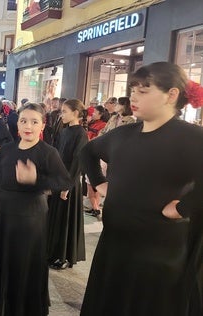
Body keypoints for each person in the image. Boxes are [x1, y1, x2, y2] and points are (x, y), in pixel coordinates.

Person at [79, 62, 203, 316]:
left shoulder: (191, 138)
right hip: (113, 248)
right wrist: (100, 183)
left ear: (171, 95)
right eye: (133, 89)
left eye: (144, 91)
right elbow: (88, 152)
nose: (133, 96)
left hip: (159, 254)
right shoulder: (123, 135)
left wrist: (183, 207)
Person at [0, 103, 72, 316]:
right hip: (4, 216)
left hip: (31, 219)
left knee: (23, 265)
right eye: (24, 121)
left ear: (42, 126)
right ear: (17, 124)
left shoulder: (48, 153)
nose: (28, 126)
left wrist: (36, 179)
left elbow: (65, 181)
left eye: (34, 122)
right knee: (1, 262)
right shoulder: (8, 149)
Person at [46, 99, 88, 270]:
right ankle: (54, 252)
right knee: (56, 217)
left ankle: (64, 256)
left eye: (64, 111)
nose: (61, 114)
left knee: (66, 220)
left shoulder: (81, 133)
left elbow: (78, 161)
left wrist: (67, 185)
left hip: (69, 182)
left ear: (76, 113)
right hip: (59, 179)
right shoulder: (64, 131)